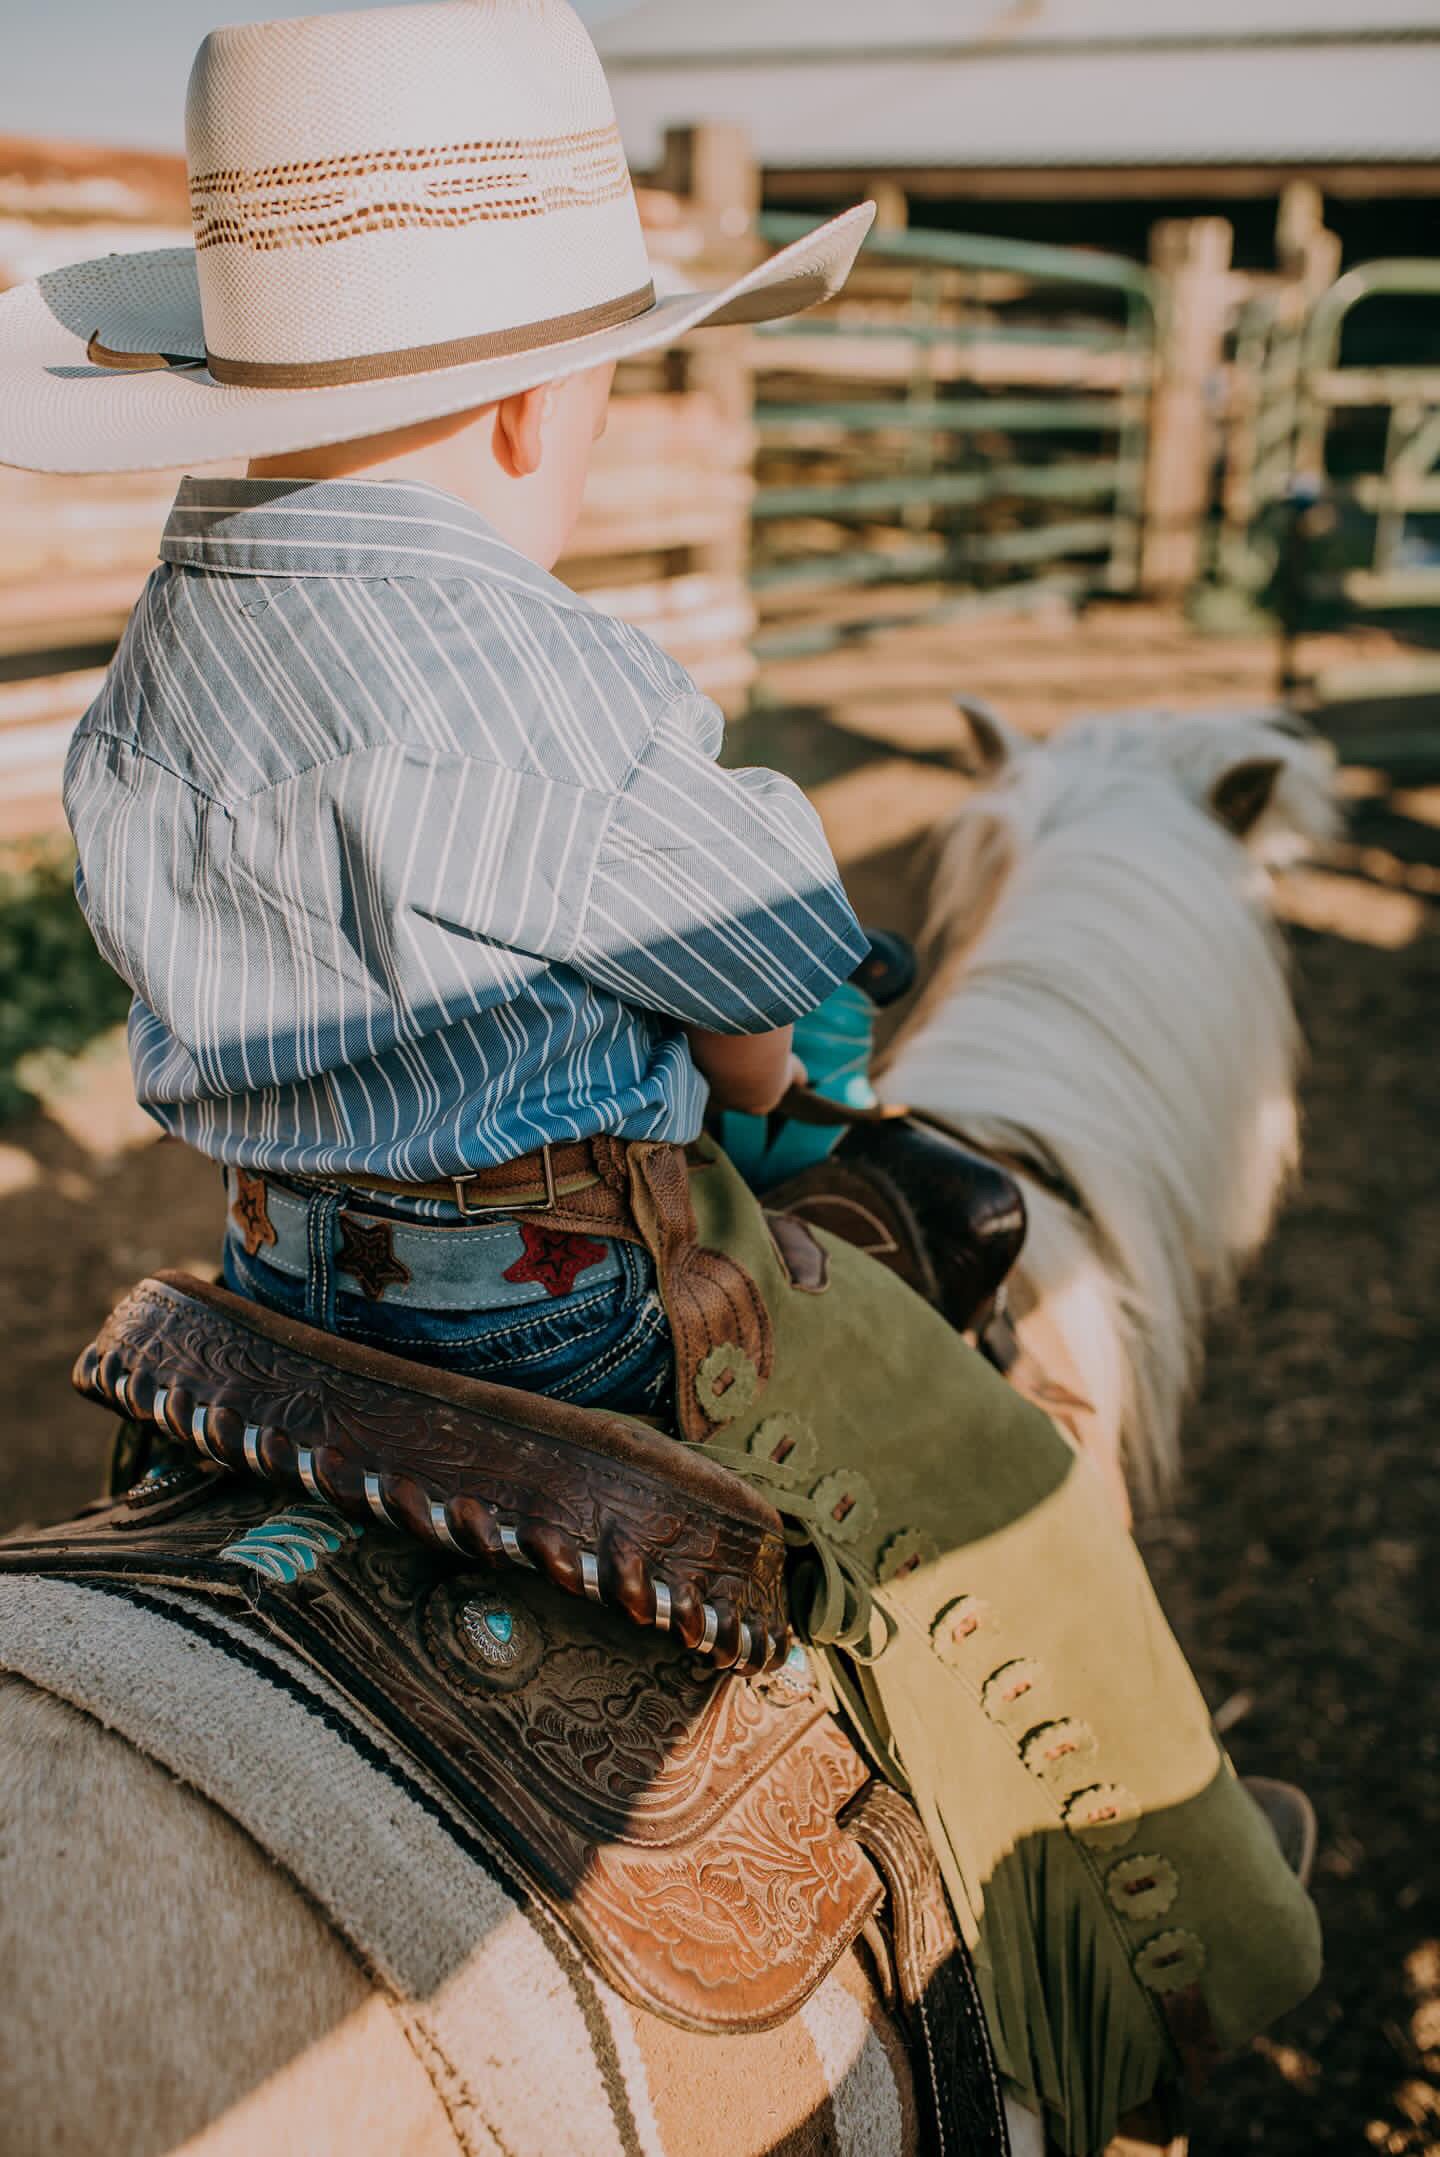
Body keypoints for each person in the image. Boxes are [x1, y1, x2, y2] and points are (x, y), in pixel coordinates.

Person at [0, 4, 1321, 2147]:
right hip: (573, 1301)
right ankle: (1207, 1908)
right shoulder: (561, 686)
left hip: (277, 1283)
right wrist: (784, 1069)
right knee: (994, 1477)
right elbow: (768, 972)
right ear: (534, 411)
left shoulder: (167, 635)